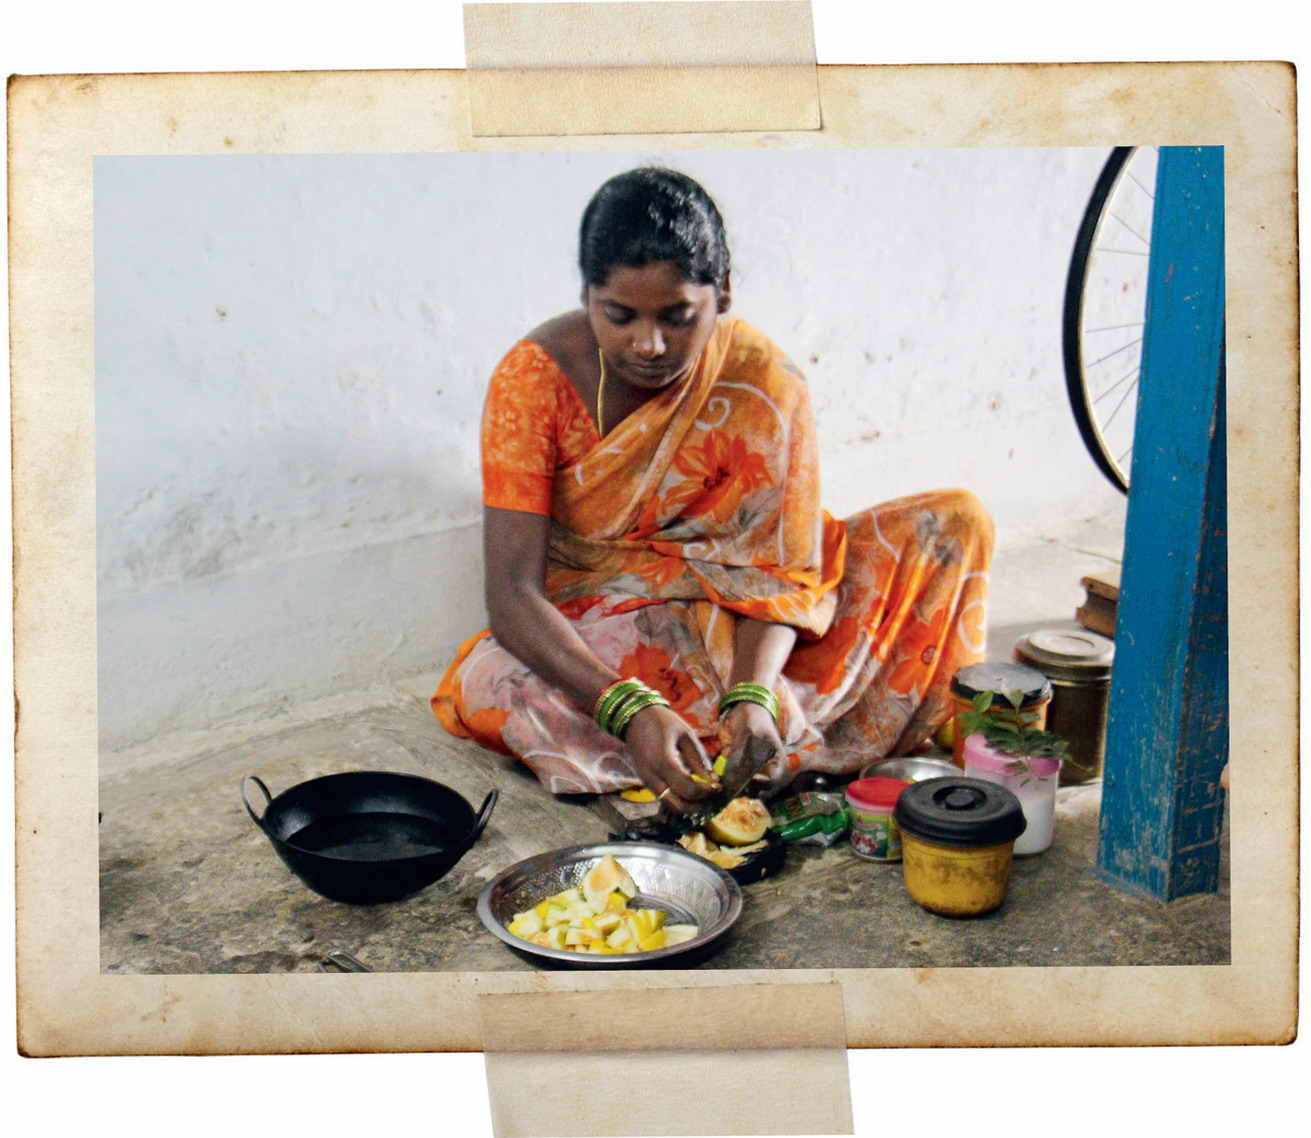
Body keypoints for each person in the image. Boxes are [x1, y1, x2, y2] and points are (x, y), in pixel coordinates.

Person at [433, 167, 994, 814]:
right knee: (495, 684)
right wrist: (629, 709)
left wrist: (750, 692)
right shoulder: (532, 381)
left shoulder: (762, 381)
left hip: (747, 616)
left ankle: (752, 723)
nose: (648, 344)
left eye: (677, 317)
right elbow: (512, 596)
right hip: (611, 616)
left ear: (721, 293)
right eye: (618, 316)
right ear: (587, 297)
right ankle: (750, 736)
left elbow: (777, 576)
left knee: (955, 525)